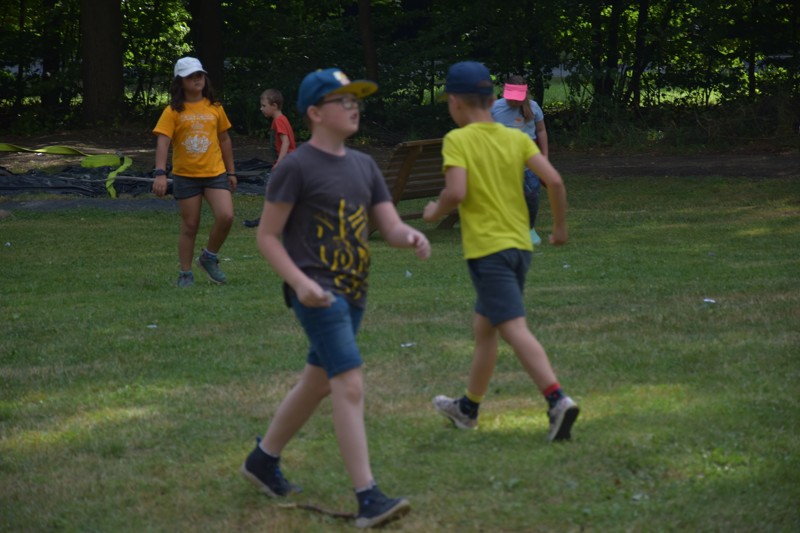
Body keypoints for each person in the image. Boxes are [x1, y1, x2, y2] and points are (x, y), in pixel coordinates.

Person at [240, 67, 430, 529]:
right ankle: (368, 498)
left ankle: (263, 460)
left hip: (355, 292)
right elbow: (267, 236)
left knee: (318, 381)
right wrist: (300, 283)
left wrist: (409, 236)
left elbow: (387, 225)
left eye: (355, 99)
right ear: (314, 113)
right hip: (318, 294)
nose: (353, 107)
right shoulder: (296, 167)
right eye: (342, 100)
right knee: (349, 383)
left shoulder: (364, 166)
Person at [423, 61, 579, 442]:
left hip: (489, 251)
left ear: (455, 102)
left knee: (511, 327)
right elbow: (555, 181)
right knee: (485, 329)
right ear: (493, 97)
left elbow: (457, 192)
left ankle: (557, 399)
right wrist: (559, 228)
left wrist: (435, 210)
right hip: (519, 248)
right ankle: (468, 408)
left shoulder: (457, 140)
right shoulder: (517, 139)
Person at [152, 56, 237, 287]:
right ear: (180, 82)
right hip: (186, 175)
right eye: (190, 76)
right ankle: (185, 273)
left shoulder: (215, 107)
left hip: (215, 173)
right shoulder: (172, 111)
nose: (196, 79)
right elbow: (163, 142)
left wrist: (231, 172)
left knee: (226, 216)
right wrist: (160, 173)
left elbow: (225, 139)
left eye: (199, 75)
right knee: (190, 225)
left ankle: (208, 257)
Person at [491, 75, 550, 246]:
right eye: (511, 97)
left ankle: (529, 228)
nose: (514, 101)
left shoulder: (533, 107)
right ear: (504, 91)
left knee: (532, 195)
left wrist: (545, 156)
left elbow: (541, 131)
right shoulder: (495, 108)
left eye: (518, 98)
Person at [243, 89, 297, 228]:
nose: (261, 109)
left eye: (264, 105)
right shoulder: (280, 120)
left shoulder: (279, 121)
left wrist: (279, 162)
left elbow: (285, 142)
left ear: (274, 105)